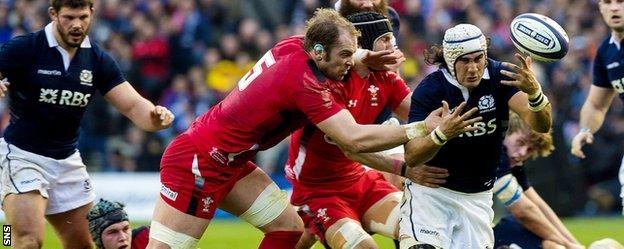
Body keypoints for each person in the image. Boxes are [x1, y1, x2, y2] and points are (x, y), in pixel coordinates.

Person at [148, 8, 477, 249]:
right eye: (345, 55)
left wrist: (361, 56)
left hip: (232, 161)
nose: (349, 63)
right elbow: (353, 138)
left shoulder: (294, 46)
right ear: (319, 52)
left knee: (289, 229)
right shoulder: (307, 84)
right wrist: (422, 129)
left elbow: (335, 49)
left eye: (352, 54)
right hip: (200, 162)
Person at [0, 1, 174, 248]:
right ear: (53, 14)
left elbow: (134, 106)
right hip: (21, 156)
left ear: (92, 13)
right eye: (69, 17)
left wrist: (156, 117)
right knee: (27, 239)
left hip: (67, 162)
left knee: (83, 245)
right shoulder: (26, 48)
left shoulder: (97, 59)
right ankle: (5, 238)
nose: (76, 25)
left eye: (82, 17)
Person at [286, 12, 464, 249]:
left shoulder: (386, 80)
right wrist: (406, 167)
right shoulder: (329, 83)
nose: (394, 45)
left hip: (361, 181)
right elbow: (353, 147)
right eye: (386, 39)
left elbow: (424, 115)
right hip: (319, 192)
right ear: (366, 46)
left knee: (421, 228)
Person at [399, 23, 552, 249]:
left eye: (478, 58)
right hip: (432, 195)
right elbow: (412, 156)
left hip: (477, 197)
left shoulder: (501, 76)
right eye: (465, 61)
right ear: (450, 61)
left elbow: (541, 124)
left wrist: (535, 94)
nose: (473, 68)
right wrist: (442, 134)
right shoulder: (430, 90)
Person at [492, 112, 583, 249]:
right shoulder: (496, 152)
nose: (523, 153)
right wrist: (567, 244)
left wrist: (574, 243)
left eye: (529, 149)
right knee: (552, 245)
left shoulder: (512, 159)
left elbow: (537, 203)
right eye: (520, 142)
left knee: (552, 244)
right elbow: (524, 211)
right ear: (506, 132)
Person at [570, 0, 624, 216]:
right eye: (607, 2)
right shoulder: (606, 52)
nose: (614, 8)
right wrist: (585, 130)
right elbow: (596, 104)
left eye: (620, 1)